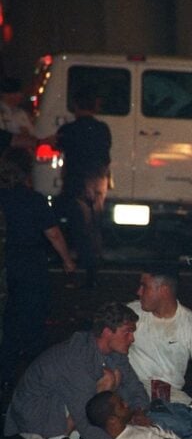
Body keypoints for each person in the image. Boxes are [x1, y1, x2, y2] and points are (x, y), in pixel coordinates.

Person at [3, 303, 151, 439]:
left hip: (63, 409)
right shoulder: (77, 358)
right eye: (127, 332)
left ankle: (74, 437)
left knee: (114, 376)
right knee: (107, 378)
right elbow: (84, 415)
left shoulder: (114, 352)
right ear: (107, 332)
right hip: (36, 418)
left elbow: (134, 386)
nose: (132, 338)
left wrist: (139, 412)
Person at [0, 148, 75, 392]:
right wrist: (67, 260)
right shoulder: (33, 199)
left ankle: (6, 374)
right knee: (33, 323)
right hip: (30, 264)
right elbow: (52, 233)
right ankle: (36, 380)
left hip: (6, 263)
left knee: (8, 322)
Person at [127, 267, 192, 406]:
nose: (138, 292)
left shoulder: (191, 324)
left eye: (144, 286)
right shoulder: (132, 312)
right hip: (133, 387)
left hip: (168, 393)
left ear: (163, 290)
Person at [55, 84, 112, 289]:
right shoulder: (102, 129)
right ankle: (95, 265)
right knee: (95, 222)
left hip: (77, 181)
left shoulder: (69, 130)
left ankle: (88, 271)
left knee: (80, 225)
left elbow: (56, 144)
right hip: (98, 180)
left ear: (76, 106)